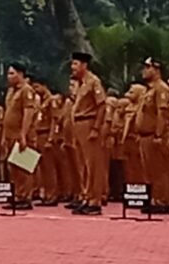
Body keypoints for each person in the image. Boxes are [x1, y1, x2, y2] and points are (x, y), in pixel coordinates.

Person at [70, 51, 108, 216]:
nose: (73, 67)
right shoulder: (80, 83)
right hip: (78, 125)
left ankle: (95, 200)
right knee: (83, 165)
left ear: (84, 65)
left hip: (88, 123)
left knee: (93, 164)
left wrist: (96, 128)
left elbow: (101, 106)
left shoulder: (93, 81)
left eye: (76, 64)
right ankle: (86, 196)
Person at [137, 57, 169, 211]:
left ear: (156, 69)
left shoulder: (161, 89)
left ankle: (162, 200)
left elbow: (162, 113)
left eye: (148, 67)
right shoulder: (149, 89)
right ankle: (153, 198)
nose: (144, 71)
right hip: (145, 135)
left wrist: (159, 134)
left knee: (159, 170)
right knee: (149, 171)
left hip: (154, 135)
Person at [3, 62, 38, 210]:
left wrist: (23, 134)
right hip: (10, 135)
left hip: (22, 134)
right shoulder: (11, 91)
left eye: (12, 73)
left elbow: (28, 113)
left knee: (24, 167)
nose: (9, 76)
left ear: (21, 74)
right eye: (8, 73)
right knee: (13, 168)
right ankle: (17, 195)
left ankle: (25, 197)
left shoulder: (26, 90)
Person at [32, 79, 59, 206]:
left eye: (37, 87)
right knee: (42, 168)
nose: (35, 90)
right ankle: (46, 194)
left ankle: (52, 195)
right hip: (38, 134)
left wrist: (51, 138)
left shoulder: (51, 101)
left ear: (44, 85)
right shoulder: (40, 101)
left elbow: (55, 120)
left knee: (49, 168)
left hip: (46, 133)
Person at [121, 84, 147, 188]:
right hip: (127, 141)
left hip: (136, 139)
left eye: (132, 92)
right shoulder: (128, 107)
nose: (128, 94)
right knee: (129, 168)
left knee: (140, 167)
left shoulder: (142, 108)